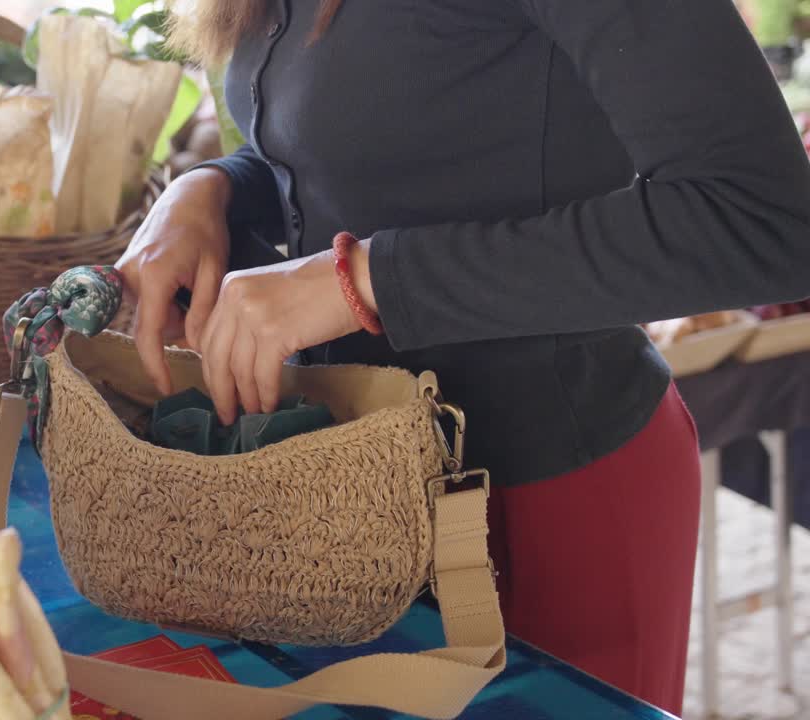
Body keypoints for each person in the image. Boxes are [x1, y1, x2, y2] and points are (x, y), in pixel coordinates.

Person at [114, 0, 810, 714]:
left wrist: (365, 279)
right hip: (351, 491)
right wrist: (211, 190)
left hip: (546, 504)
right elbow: (371, 134)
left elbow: (762, 219)